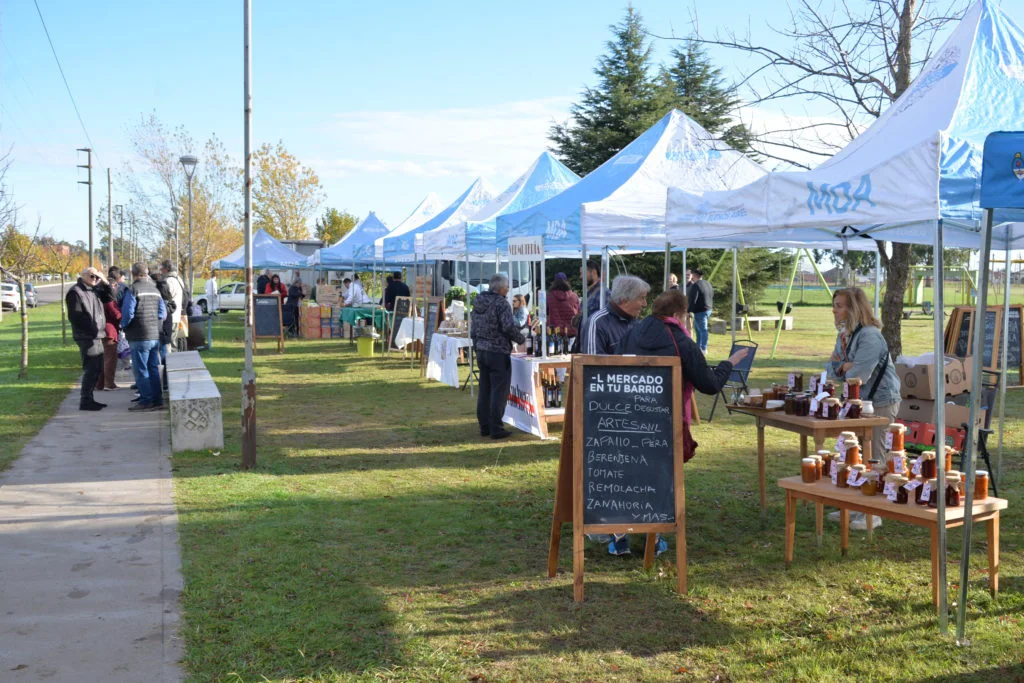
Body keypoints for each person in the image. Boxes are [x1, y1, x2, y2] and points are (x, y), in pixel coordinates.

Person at [615, 289, 751, 557]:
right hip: (666, 422)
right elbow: (710, 385)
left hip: (624, 417)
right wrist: (730, 362)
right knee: (661, 479)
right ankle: (654, 538)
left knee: (628, 477)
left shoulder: (633, 332)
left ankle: (619, 537)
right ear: (680, 315)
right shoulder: (682, 342)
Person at [827, 287, 901, 468]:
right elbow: (831, 369)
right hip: (857, 401)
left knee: (875, 459)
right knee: (853, 456)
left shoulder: (870, 335)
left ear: (854, 309)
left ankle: (879, 494)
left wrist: (846, 367)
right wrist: (845, 367)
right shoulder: (845, 334)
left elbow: (858, 376)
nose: (834, 310)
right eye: (834, 306)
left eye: (839, 306)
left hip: (880, 401)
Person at [470, 273, 525, 440]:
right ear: (501, 288)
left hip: (481, 350)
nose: (508, 290)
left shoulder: (478, 301)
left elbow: (473, 327)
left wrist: (476, 345)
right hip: (497, 351)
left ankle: (484, 426)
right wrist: (522, 339)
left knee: (485, 390)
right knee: (498, 392)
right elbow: (508, 327)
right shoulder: (501, 303)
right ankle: (496, 427)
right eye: (507, 287)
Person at [121, 262, 167, 411]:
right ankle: (157, 400)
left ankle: (146, 400)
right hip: (154, 334)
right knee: (153, 368)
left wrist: (124, 326)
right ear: (146, 273)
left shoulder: (133, 289)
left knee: (141, 370)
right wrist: (156, 325)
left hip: (138, 335)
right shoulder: (155, 290)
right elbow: (163, 313)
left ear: (132, 273)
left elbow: (128, 313)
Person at [66, 267, 109, 411]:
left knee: (97, 369)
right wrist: (92, 330)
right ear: (83, 275)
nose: (94, 279)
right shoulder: (76, 292)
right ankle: (85, 400)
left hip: (97, 335)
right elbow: (75, 316)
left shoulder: (94, 290)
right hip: (87, 336)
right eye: (92, 276)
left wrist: (104, 281)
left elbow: (111, 297)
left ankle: (89, 398)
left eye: (96, 277)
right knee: (91, 368)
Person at [579, 275, 650, 355]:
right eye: (642, 298)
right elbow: (591, 363)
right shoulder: (597, 323)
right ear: (625, 299)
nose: (645, 304)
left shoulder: (637, 324)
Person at [94, 281, 122, 391]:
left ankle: (99, 383)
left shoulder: (96, 299)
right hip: (110, 331)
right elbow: (116, 315)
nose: (116, 288)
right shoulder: (109, 300)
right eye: (115, 286)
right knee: (110, 360)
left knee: (102, 359)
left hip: (100, 331)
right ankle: (109, 384)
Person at [159, 259, 185, 351]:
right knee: (173, 341)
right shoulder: (179, 279)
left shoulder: (169, 281)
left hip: (170, 315)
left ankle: (170, 363)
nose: (160, 270)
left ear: (166, 269)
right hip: (176, 314)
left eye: (161, 268)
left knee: (169, 343)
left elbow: (165, 297)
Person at [687, 267, 713, 354]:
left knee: (702, 330)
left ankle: (703, 348)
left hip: (700, 310)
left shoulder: (696, 285)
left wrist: (688, 311)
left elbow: (693, 299)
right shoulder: (708, 283)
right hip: (708, 309)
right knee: (698, 329)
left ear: (694, 275)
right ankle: (698, 347)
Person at [546, 272, 580, 336]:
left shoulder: (549, 296)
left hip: (555, 331)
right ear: (566, 281)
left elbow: (546, 312)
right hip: (571, 331)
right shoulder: (574, 296)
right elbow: (578, 312)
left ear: (554, 282)